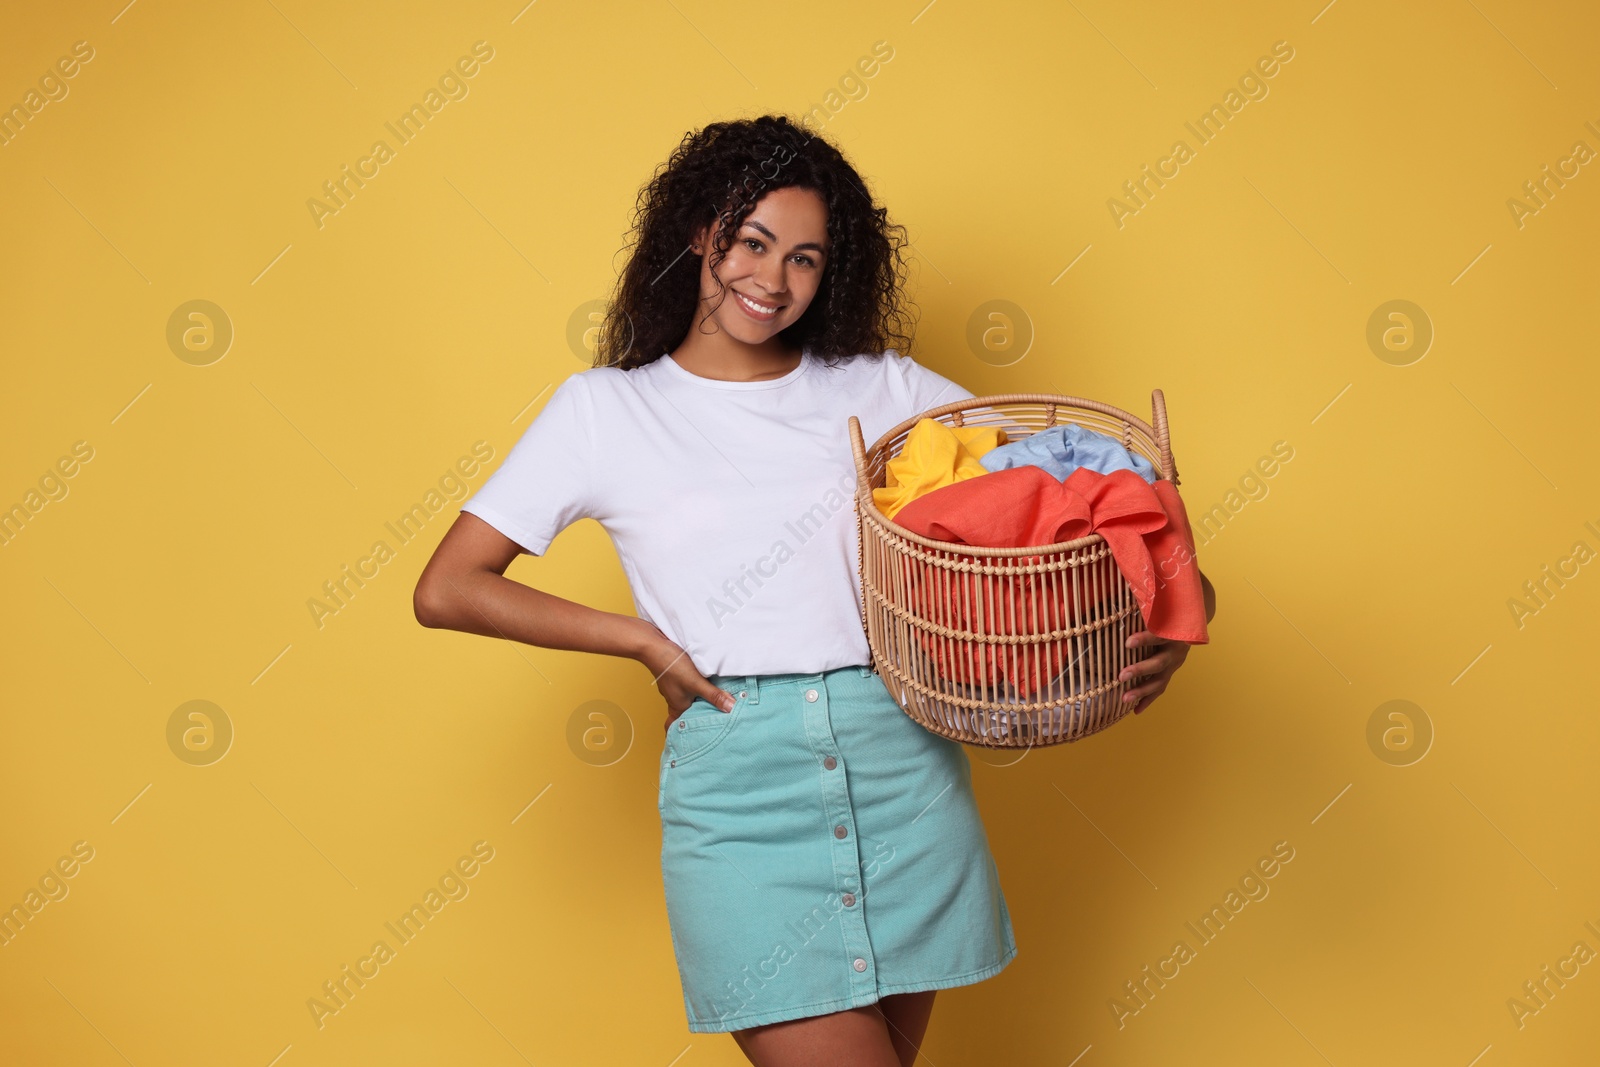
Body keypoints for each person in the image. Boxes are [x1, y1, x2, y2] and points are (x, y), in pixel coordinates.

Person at [414, 114, 1216, 1066]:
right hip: (738, 789)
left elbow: (1065, 507)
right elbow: (449, 587)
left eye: (804, 257)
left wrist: (1185, 600)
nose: (773, 278)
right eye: (751, 243)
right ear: (698, 236)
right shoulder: (604, 411)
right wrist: (646, 642)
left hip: (902, 767)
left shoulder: (887, 389)